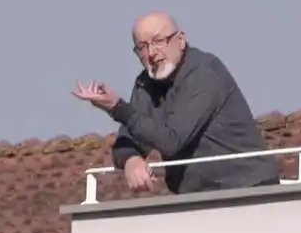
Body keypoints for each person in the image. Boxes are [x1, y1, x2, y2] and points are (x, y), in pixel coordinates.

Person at [72, 11, 280, 194]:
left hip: (249, 191)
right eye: (142, 47)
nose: (151, 53)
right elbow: (129, 138)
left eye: (158, 41)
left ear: (180, 40)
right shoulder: (146, 83)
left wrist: (117, 107)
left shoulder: (204, 74)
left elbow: (171, 141)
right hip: (196, 199)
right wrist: (130, 160)